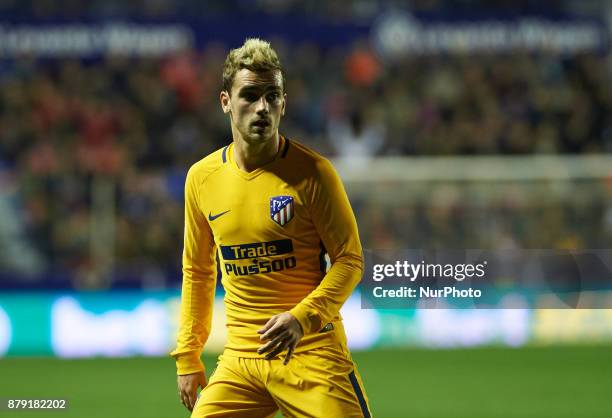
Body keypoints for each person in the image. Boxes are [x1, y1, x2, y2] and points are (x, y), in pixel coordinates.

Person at [171, 38, 372, 418]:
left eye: (272, 95)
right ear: (225, 102)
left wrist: (302, 318)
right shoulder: (201, 178)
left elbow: (350, 261)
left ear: (284, 102)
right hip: (241, 360)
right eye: (250, 95)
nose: (262, 107)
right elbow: (198, 272)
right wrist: (188, 354)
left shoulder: (315, 174)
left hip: (312, 351)